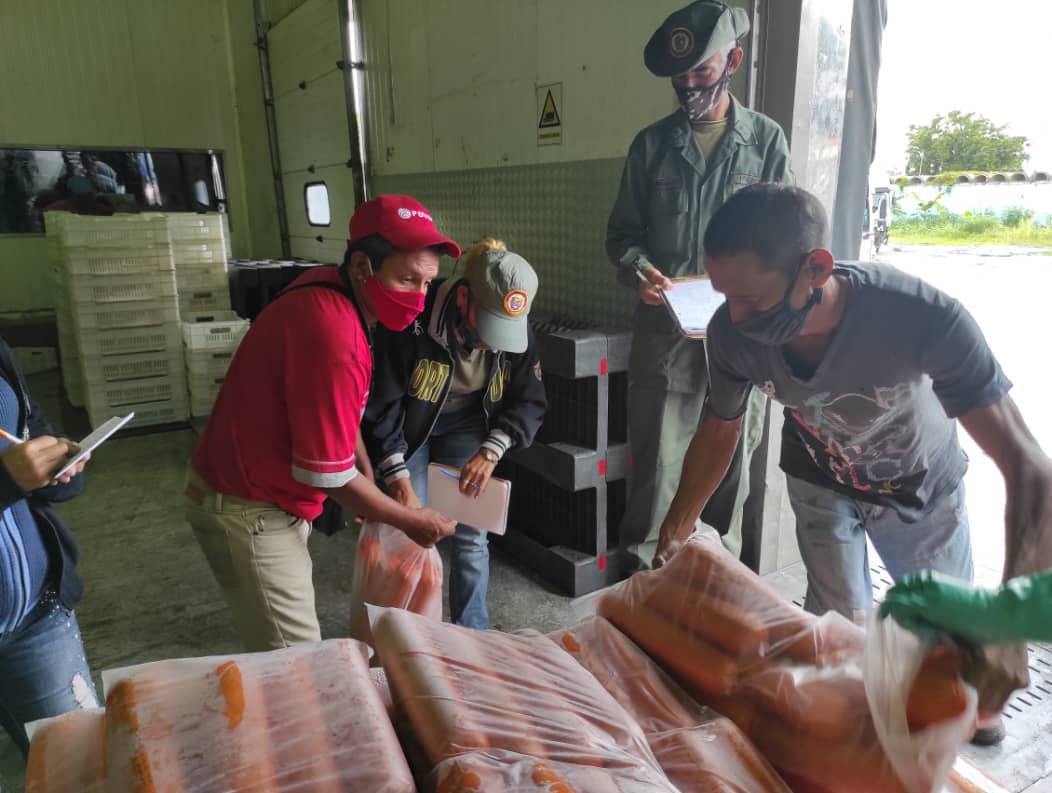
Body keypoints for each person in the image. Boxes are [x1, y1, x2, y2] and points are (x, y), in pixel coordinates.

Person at [652, 182, 1050, 744]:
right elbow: (721, 427)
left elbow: (1030, 467)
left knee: (956, 663)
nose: (735, 317)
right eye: (724, 297)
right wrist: (676, 528)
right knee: (835, 638)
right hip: (821, 477)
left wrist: (1008, 627)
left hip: (921, 488)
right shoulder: (731, 335)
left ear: (815, 268)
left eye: (754, 301)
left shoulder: (918, 315)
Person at [185, 195, 459, 652]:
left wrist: (366, 469)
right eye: (407, 279)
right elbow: (325, 475)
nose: (418, 298)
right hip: (249, 506)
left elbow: (335, 409)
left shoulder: (330, 289)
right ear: (362, 266)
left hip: (258, 493)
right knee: (299, 665)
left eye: (428, 283)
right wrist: (408, 519)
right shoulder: (336, 334)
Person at [606, 0, 793, 571]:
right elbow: (622, 235)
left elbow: (787, 241)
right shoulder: (651, 146)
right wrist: (640, 271)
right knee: (657, 471)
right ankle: (645, 590)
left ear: (732, 61)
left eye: (701, 71)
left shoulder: (765, 141)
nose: (688, 85)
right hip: (666, 335)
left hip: (743, 334)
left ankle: (716, 584)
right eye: (679, 76)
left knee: (729, 472)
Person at [364, 239, 547, 629]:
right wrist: (397, 480)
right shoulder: (412, 319)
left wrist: (492, 450)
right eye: (490, 326)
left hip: (466, 425)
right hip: (409, 429)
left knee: (471, 535)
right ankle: (404, 634)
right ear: (464, 297)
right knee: (408, 529)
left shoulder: (516, 329)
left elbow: (530, 400)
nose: (494, 342)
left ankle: (472, 633)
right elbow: (382, 405)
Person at [0, 337, 96, 756]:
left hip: (35, 617)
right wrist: (6, 480)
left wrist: (57, 464)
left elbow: (25, 425)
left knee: (85, 769)